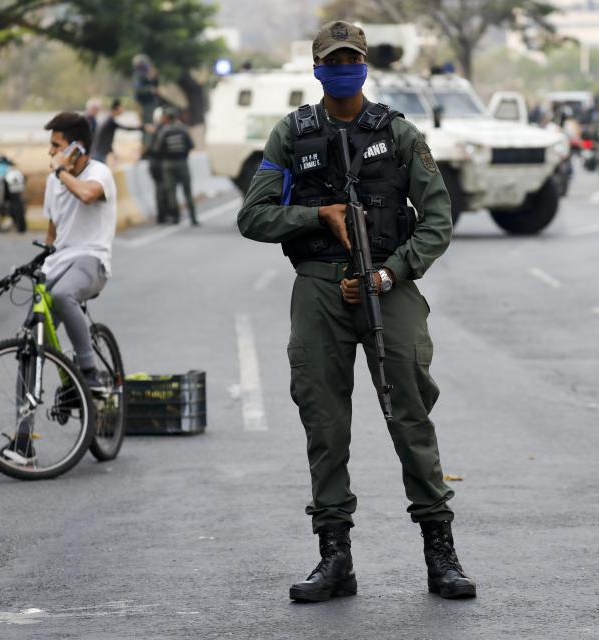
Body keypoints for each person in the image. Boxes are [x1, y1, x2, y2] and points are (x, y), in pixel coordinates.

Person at [237, 20, 476, 603]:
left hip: (388, 284)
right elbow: (254, 216)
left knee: (410, 413)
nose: (343, 67)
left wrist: (392, 270)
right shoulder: (291, 135)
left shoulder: (397, 132)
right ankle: (334, 556)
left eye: (352, 58)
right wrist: (316, 217)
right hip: (319, 286)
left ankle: (440, 554)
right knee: (324, 421)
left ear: (365, 64)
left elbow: (439, 218)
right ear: (317, 67)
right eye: (333, 59)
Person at [42, 112, 117, 394]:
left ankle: (89, 372)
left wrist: (61, 172)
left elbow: (86, 194)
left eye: (56, 146)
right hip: (57, 265)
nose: (50, 152)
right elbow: (52, 232)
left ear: (77, 149)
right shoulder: (53, 182)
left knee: (62, 295)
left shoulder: (99, 173)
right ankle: (21, 432)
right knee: (30, 344)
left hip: (91, 261)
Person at [149, 107, 197, 225]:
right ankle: (193, 218)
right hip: (182, 163)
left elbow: (157, 149)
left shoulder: (164, 131)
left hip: (168, 164)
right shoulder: (183, 129)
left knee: (171, 192)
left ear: (166, 118)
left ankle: (176, 217)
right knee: (187, 190)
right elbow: (191, 145)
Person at [91, 98, 144, 165]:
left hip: (100, 152)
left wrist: (112, 151)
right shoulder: (110, 121)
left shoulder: (108, 119)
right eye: (122, 108)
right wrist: (142, 127)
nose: (123, 110)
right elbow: (126, 128)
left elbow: (105, 139)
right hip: (99, 153)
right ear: (117, 108)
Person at [132, 54, 160, 148]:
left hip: (149, 103)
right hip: (143, 104)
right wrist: (149, 89)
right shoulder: (138, 75)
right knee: (146, 125)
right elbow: (138, 89)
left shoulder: (147, 73)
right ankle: (146, 146)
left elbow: (155, 85)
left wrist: (155, 77)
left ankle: (149, 145)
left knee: (150, 124)